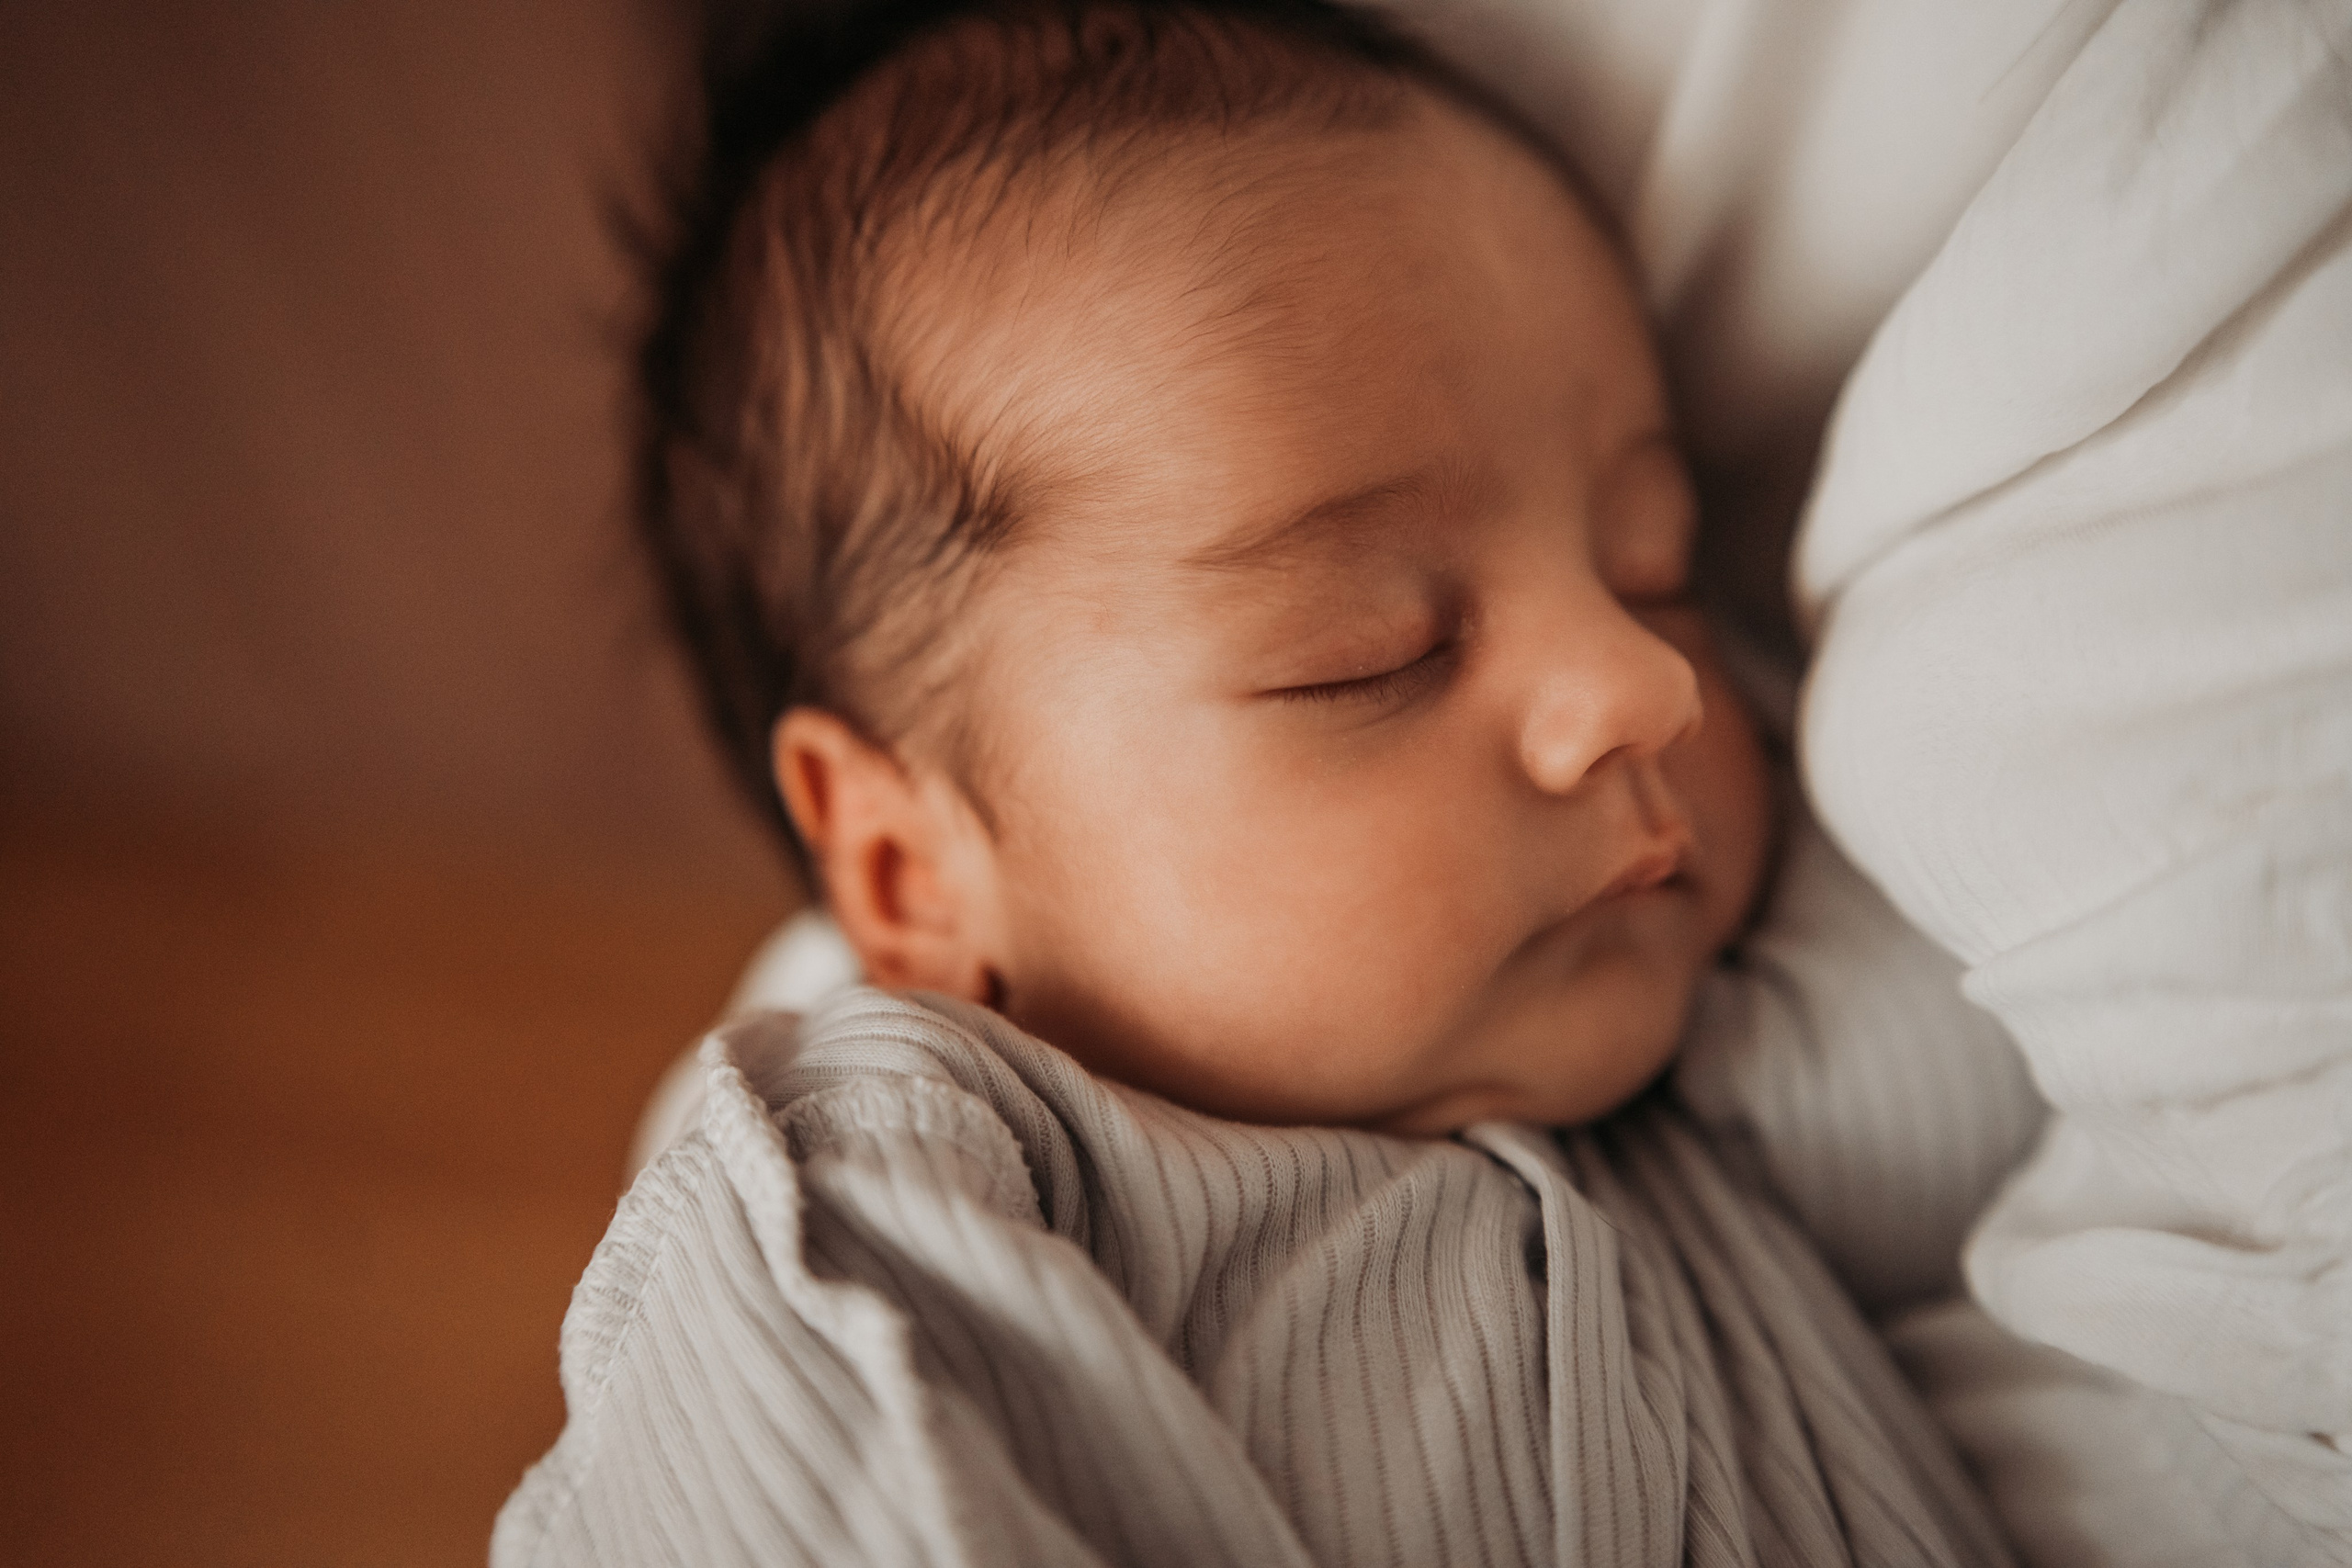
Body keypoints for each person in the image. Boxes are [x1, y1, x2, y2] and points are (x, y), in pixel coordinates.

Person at [494, 3, 2020, 1561]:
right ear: (911, 874)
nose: (1646, 686)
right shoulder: (886, 1194)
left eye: (1657, 567)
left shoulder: (1732, 1033)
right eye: (1376, 651)